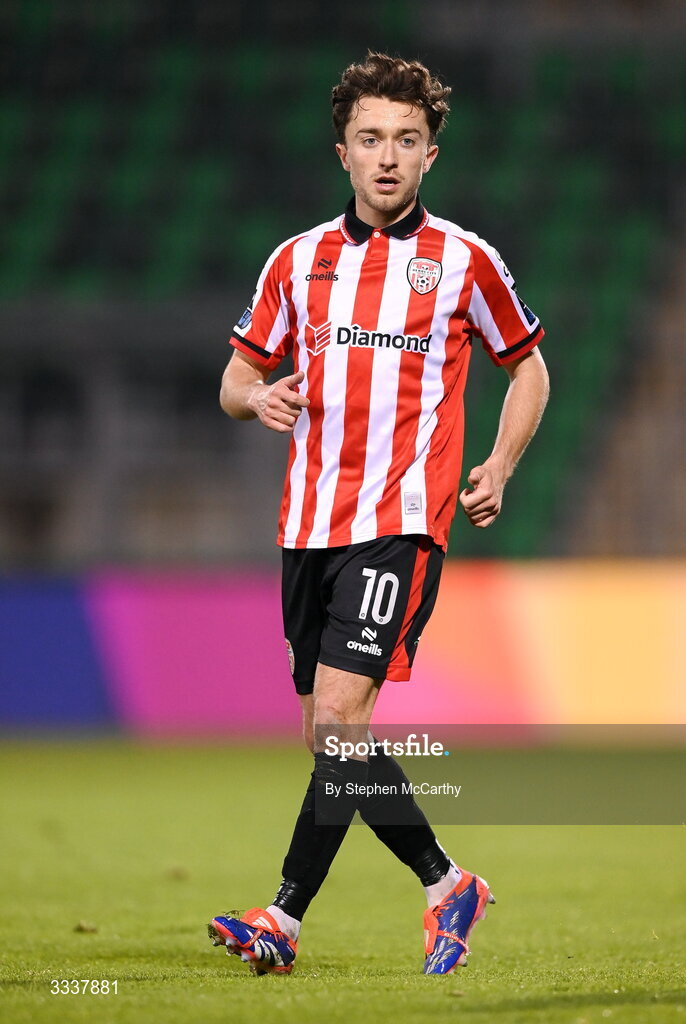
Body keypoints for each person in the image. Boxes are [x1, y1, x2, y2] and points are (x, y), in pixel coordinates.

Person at [208, 52, 549, 976]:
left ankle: (282, 916)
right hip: (306, 525)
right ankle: (445, 885)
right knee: (331, 737)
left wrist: (500, 464)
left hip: (399, 520)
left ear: (431, 154)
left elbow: (527, 365)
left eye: (406, 139)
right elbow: (237, 375)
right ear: (342, 153)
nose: (387, 157)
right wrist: (258, 400)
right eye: (371, 139)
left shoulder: (465, 260)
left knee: (339, 718)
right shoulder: (296, 260)